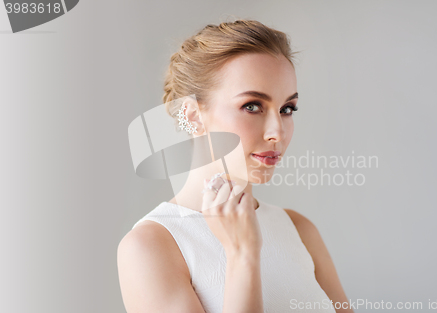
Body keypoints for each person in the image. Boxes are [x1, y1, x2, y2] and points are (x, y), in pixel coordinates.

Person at [117, 19, 354, 313]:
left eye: (287, 109)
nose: (277, 132)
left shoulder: (299, 229)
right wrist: (242, 255)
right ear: (192, 116)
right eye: (252, 106)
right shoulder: (150, 246)